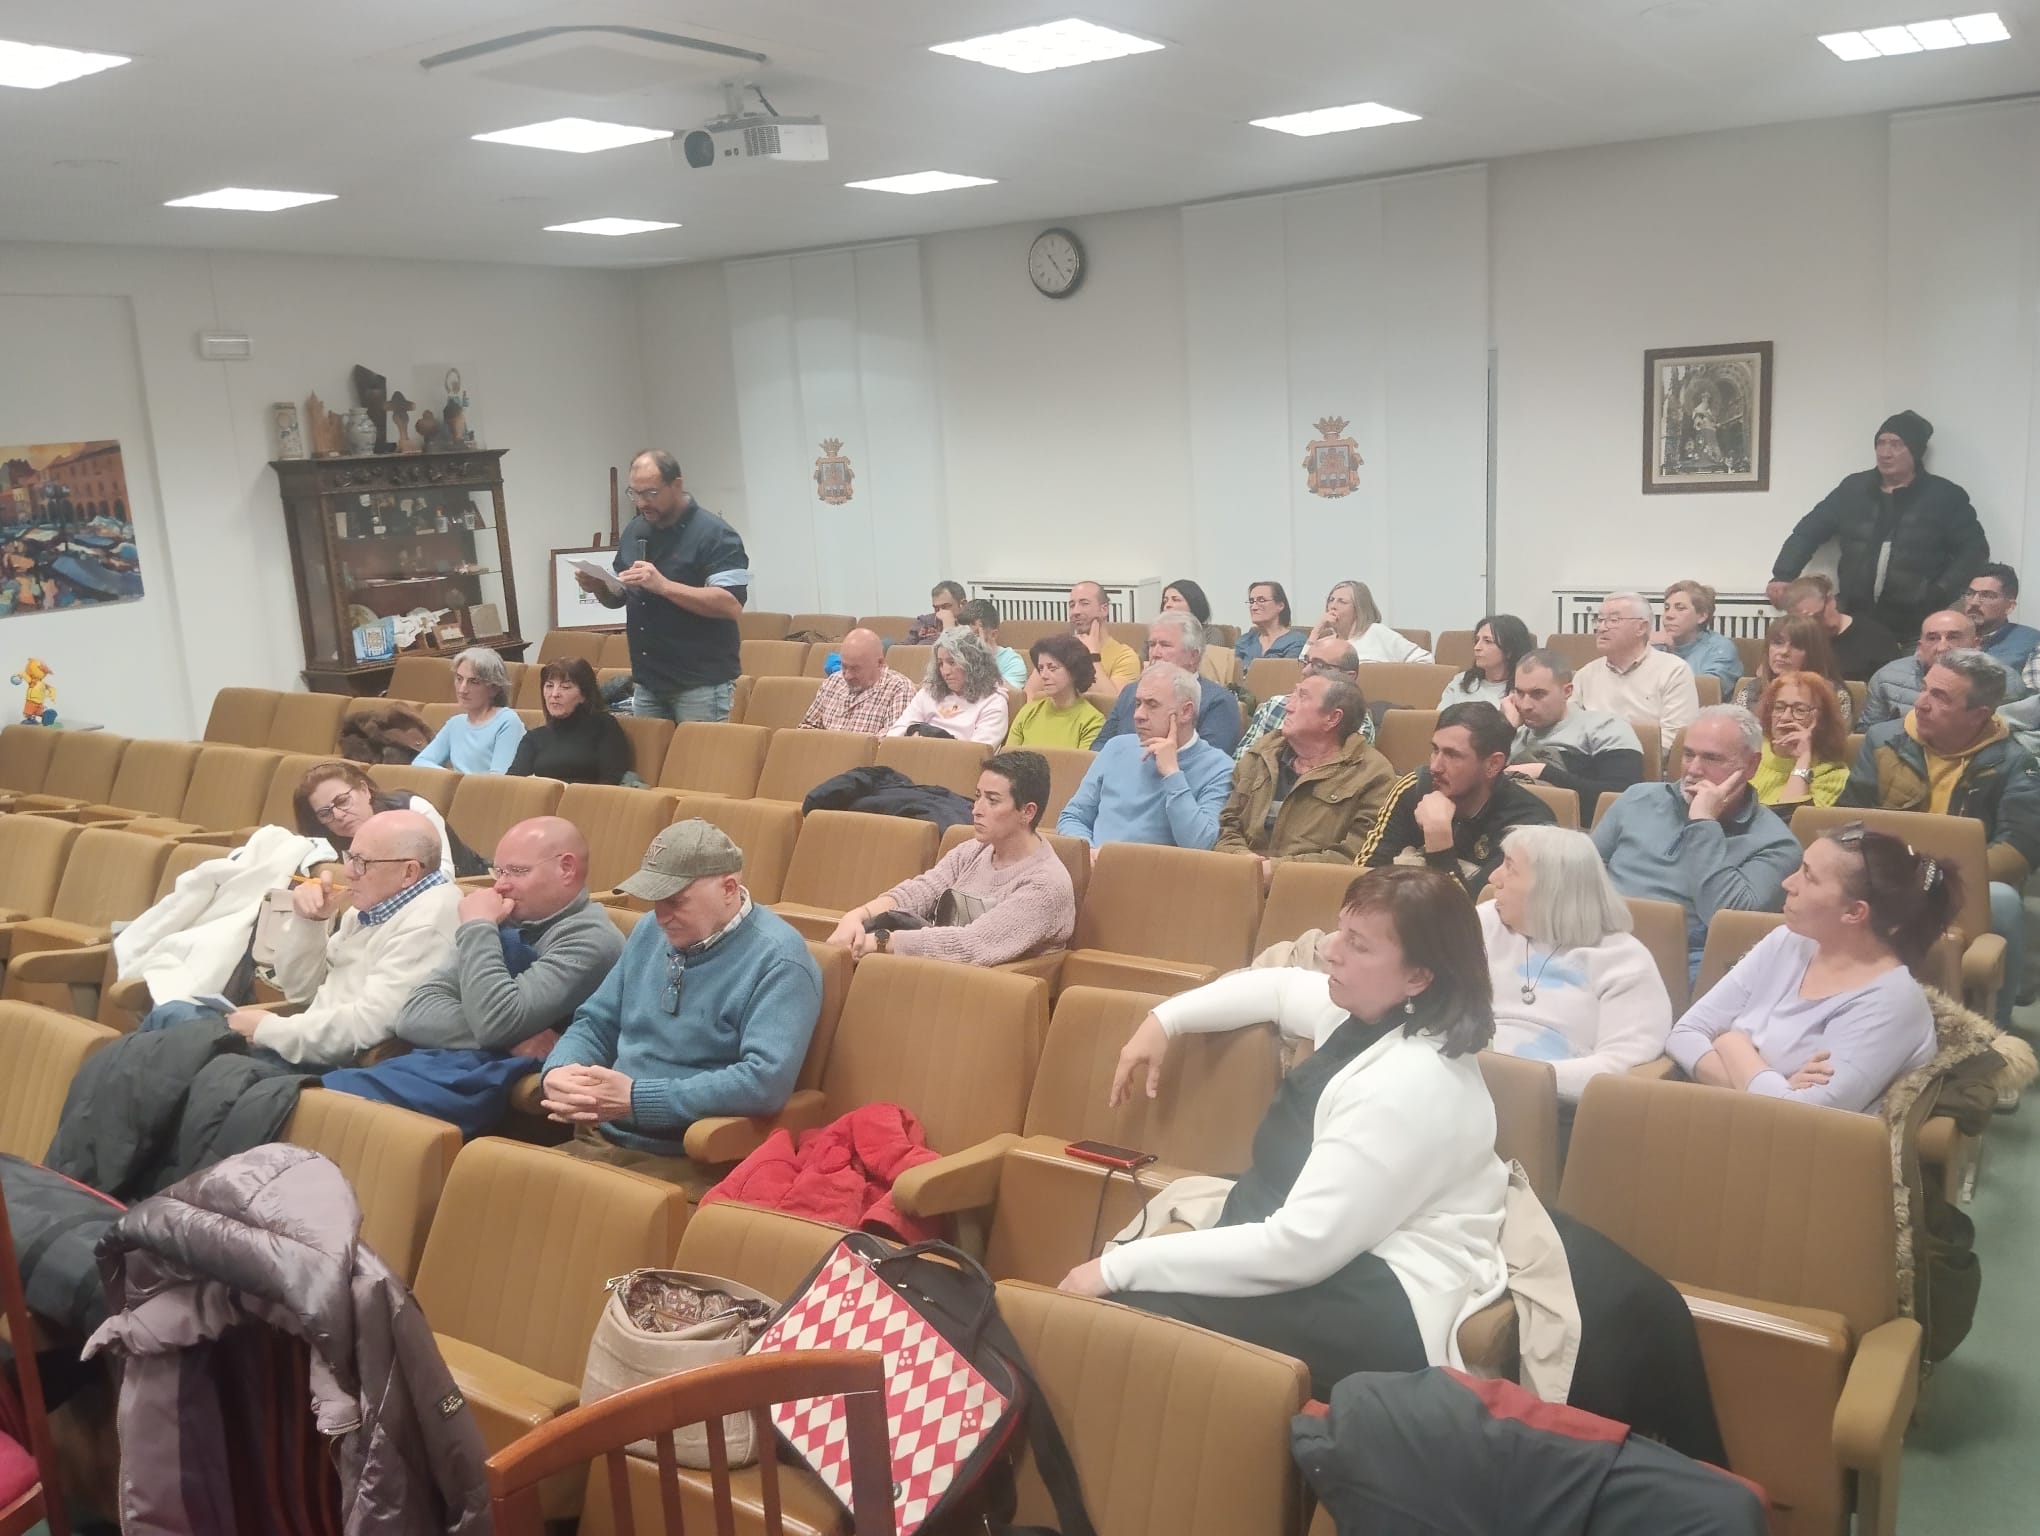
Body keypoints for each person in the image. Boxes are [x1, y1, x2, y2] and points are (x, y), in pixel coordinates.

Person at [1056, 867, 1508, 1395]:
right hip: (1331, 1245)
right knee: (1127, 1308)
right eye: (1340, 931)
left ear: (1418, 977)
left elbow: (1298, 1248)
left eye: (1358, 945)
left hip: (1382, 1292)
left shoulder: (1410, 1081)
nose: (1331, 951)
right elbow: (1277, 986)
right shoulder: (1369, 1012)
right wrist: (1164, 1021)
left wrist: (1117, 1268)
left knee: (1128, 1316)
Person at [540, 820, 824, 1195]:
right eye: (654, 900)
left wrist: (636, 1099)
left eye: (675, 901)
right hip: (600, 1137)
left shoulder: (780, 960)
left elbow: (763, 1081)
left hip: (689, 1160)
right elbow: (596, 1021)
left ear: (728, 889)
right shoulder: (650, 932)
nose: (660, 916)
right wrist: (562, 1069)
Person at [323, 817, 626, 1128]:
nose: (500, 885)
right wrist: (509, 1037)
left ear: (566, 868)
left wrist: (478, 927)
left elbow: (497, 1021)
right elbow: (414, 1014)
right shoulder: (508, 916)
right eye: (500, 871)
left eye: (518, 871)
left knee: (325, 1110)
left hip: (497, 1102)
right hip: (441, 1069)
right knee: (310, 1098)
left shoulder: (591, 941)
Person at [1664, 826, 1953, 1115]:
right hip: (1729, 1125)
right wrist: (1774, 1087)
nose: (1788, 883)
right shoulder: (1786, 940)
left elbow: (1802, 1119)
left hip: (1807, 1155)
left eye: (1808, 876)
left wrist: (1731, 1042)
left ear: (1854, 912)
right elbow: (1685, 1033)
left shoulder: (1892, 1002)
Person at [1841, 648, 2040, 1025]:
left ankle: (1994, 1030)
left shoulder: (2015, 761)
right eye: (1925, 688)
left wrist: (1937, 879)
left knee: (2005, 901)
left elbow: (2019, 848)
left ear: (1979, 715)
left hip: (1962, 881)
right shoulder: (1884, 740)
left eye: (1940, 696)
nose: (1921, 703)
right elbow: (1847, 817)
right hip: (1885, 871)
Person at [188, 810, 461, 1066]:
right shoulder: (373, 905)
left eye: (362, 862)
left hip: (329, 1066)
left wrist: (268, 1030)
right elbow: (301, 990)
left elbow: (366, 1027)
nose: (350, 871)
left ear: (409, 872)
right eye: (349, 857)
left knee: (181, 1029)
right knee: (178, 1016)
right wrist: (309, 922)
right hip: (303, 1042)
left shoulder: (429, 922)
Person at [1592, 706, 1800, 979]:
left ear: (1751, 765)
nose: (1694, 769)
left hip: (1685, 960)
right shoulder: (1637, 798)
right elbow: (1583, 872)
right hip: (1601, 940)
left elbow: (1729, 920)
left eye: (1712, 758)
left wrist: (1703, 823)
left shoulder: (1776, 844)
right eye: (1689, 754)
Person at [824, 752, 1074, 966]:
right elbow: (920, 891)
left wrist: (878, 941)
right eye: (978, 796)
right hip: (932, 975)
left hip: (981, 997)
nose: (976, 809)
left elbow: (972, 945)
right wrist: (857, 916)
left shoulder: (1046, 884)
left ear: (1027, 812)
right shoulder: (973, 850)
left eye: (992, 800)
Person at [1481, 826, 1674, 1101]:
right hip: (1466, 1088)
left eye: (1510, 868)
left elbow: (1619, 1067)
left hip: (1557, 1110)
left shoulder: (1624, 961)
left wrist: (1512, 1079)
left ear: (1550, 886)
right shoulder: (1487, 923)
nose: (1493, 877)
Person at [1767, 411, 1987, 643]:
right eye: (1880, 443)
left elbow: (1974, 551)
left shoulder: (1945, 496)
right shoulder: (1853, 489)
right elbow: (1808, 531)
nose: (1885, 452)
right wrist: (1783, 574)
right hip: (1854, 619)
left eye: (1896, 444)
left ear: (1915, 450)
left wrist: (1939, 593)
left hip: (1915, 626)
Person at [574, 449, 748, 722]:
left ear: (676, 485)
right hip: (648, 681)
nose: (642, 502)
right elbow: (619, 596)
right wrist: (598, 586)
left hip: (699, 682)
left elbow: (731, 604)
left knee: (698, 764)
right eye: (635, 493)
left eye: (651, 493)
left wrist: (665, 586)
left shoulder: (715, 533)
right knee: (653, 765)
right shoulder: (634, 530)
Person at [1358, 701, 1555, 898]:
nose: (1435, 766)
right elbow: (1361, 880)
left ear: (1493, 764)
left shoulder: (1529, 826)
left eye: (1452, 755)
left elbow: (1471, 917)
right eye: (1435, 750)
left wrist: (1438, 838)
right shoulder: (1414, 788)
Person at [1219, 671, 1394, 882]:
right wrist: (1244, 862)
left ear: (1332, 718)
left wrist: (1275, 872)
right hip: (1240, 880)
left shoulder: (1373, 774)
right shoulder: (1262, 753)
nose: (1288, 706)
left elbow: (1356, 854)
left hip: (1313, 894)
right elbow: (1228, 823)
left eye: (1302, 697)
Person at [1057, 663, 1234, 851]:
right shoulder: (1116, 747)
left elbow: (1201, 844)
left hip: (1159, 876)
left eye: (1152, 705)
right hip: (1098, 869)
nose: (1138, 715)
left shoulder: (1220, 768)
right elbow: (1072, 817)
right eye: (1137, 703)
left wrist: (1172, 774)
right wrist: (1089, 853)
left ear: (1186, 712)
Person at [1500, 649, 1645, 820]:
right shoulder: (1513, 731)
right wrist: (1506, 730)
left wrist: (1544, 771)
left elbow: (1619, 797)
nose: (1525, 705)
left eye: (1538, 694)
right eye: (1519, 693)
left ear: (1567, 691)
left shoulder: (1606, 728)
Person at [292, 760, 483, 878]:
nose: (338, 816)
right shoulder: (328, 840)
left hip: (465, 884)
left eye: (342, 801)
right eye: (325, 813)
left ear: (364, 790)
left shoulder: (413, 808)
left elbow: (445, 875)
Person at [1092, 613, 1242, 754]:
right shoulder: (1131, 691)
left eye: (1165, 645)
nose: (1155, 653)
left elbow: (1207, 764)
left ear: (1193, 656)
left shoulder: (1218, 702)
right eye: (1152, 645)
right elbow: (1099, 746)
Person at [1572, 591, 1699, 755]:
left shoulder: (1674, 670)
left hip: (1649, 767)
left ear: (1641, 627)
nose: (1601, 627)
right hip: (1588, 764)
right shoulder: (1586, 674)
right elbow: (1569, 728)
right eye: (1600, 620)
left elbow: (1675, 738)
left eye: (1613, 620)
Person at [1860, 608, 2022, 727]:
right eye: (1932, 638)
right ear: (1920, 647)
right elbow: (1866, 733)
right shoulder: (1887, 677)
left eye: (1953, 637)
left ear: (1976, 645)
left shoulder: (2004, 682)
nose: (1942, 647)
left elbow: (2012, 738)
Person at [506, 657, 632, 785]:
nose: (554, 694)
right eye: (549, 686)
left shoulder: (604, 725)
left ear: (584, 695)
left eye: (565, 687)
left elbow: (611, 780)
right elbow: (513, 784)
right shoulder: (534, 738)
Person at [1238, 636, 1368, 758]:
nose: (1305, 671)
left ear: (1349, 676)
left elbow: (1349, 775)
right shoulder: (1275, 705)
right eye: (1306, 662)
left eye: (1320, 665)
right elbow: (1242, 762)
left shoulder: (1359, 725)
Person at [1728, 614, 1855, 729]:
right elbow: (1736, 740)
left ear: (1813, 653)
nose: (1784, 652)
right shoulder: (1751, 691)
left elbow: (1834, 746)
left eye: (1796, 646)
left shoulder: (1835, 696)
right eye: (1778, 643)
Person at [887, 628, 1010, 746]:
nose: (945, 671)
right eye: (940, 663)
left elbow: (977, 752)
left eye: (952, 662)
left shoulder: (993, 702)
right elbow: (896, 733)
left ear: (973, 664)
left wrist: (927, 745)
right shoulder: (929, 691)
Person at [412, 647, 525, 773]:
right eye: (459, 679)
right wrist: (453, 779)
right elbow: (420, 762)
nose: (462, 690)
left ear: (494, 688)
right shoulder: (455, 724)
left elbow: (499, 778)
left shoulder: (507, 721)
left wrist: (459, 781)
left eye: (474, 682)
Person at [1751, 671, 1851, 812]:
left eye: (1800, 710)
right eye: (1779, 707)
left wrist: (1803, 760)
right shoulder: (1748, 753)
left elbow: (1787, 820)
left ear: (1821, 720)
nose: (1785, 717)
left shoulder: (1832, 775)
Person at [1783, 574, 1903, 683]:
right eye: (1808, 620)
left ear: (1831, 600)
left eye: (1819, 615)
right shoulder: (1796, 642)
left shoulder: (1876, 636)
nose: (1818, 623)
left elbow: (1891, 687)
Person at [799, 627, 913, 735]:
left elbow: (888, 745)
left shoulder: (900, 689)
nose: (847, 676)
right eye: (844, 666)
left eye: (855, 669)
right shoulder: (833, 681)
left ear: (879, 663)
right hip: (824, 753)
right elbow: (807, 727)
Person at [1007, 635, 1104, 749]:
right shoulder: (1028, 712)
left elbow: (1082, 764)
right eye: (1041, 668)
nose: (1043, 675)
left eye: (1052, 668)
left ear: (1073, 671)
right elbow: (1007, 759)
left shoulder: (1092, 721)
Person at [1653, 581, 1744, 699]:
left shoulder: (1720, 648)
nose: (1669, 615)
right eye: (1666, 608)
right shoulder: (1656, 645)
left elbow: (1707, 693)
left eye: (1680, 608)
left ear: (1701, 616)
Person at [1313, 580, 1434, 662]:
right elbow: (1303, 672)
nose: (1333, 606)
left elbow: (1425, 660)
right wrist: (1316, 631)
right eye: (1331, 600)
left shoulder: (1376, 632)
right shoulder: (1326, 642)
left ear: (1359, 608)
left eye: (1342, 601)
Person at [1961, 563, 2040, 680]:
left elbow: (2035, 695)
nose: (1974, 602)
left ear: (2010, 606)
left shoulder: (2031, 642)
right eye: (1970, 594)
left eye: (1987, 595)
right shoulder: (1946, 636)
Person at [1440, 615, 1534, 708]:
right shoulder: (1461, 681)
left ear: (1509, 650)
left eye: (1488, 641)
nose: (1477, 648)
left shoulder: (1526, 690)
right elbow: (1439, 720)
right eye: (1477, 640)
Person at [1069, 580, 1141, 695]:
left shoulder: (1125, 656)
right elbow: (1032, 692)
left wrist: (1093, 656)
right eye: (1072, 605)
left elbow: (1113, 704)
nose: (1076, 611)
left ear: (1104, 609)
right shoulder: (1062, 650)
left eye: (1084, 604)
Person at [958, 597, 1028, 687]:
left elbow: (1013, 696)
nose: (966, 643)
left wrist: (983, 657)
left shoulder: (1011, 661)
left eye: (974, 636)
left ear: (993, 635)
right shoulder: (955, 660)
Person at [1236, 580, 1306, 665]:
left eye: (1261, 600)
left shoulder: (1296, 641)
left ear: (1280, 606)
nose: (1253, 607)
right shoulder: (1245, 640)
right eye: (1251, 601)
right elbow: (1232, 672)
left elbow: (1287, 673)